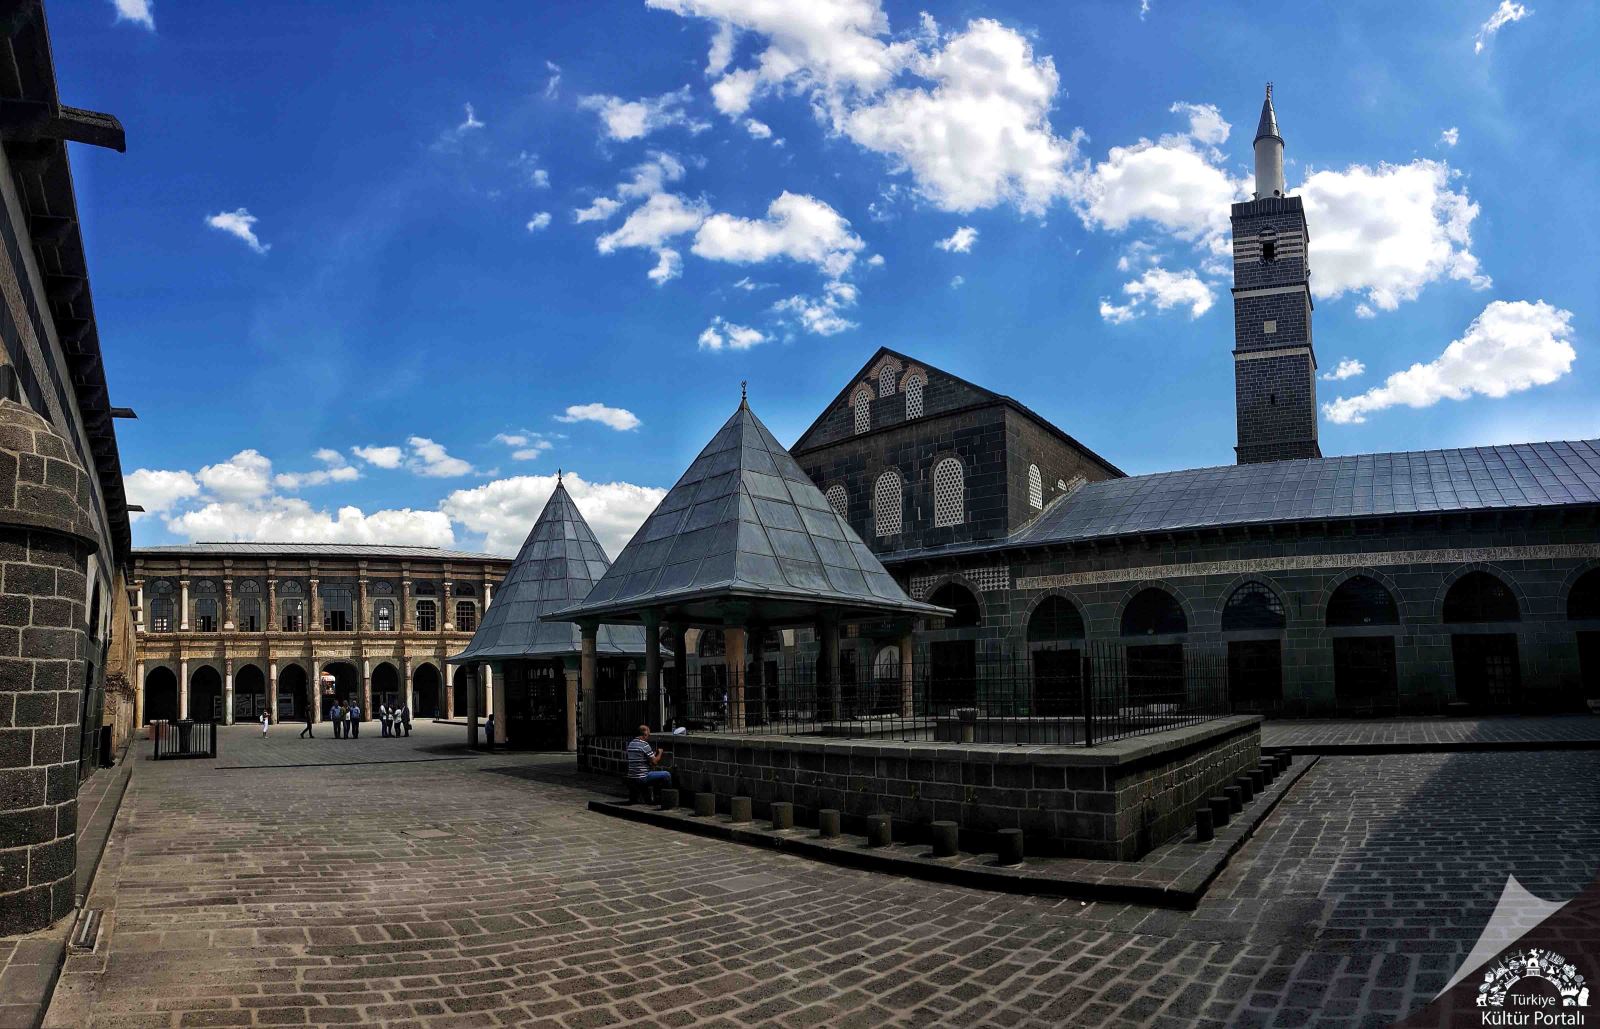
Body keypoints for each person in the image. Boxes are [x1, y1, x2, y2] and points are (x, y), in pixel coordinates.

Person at [626, 725, 670, 794]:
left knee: (655, 775)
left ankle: (653, 797)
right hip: (642, 777)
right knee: (667, 774)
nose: (648, 737)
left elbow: (641, 759)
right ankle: (667, 797)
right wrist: (660, 753)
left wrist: (653, 754)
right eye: (648, 735)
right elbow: (654, 762)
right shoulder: (644, 744)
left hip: (631, 777)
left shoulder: (631, 743)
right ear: (645, 734)